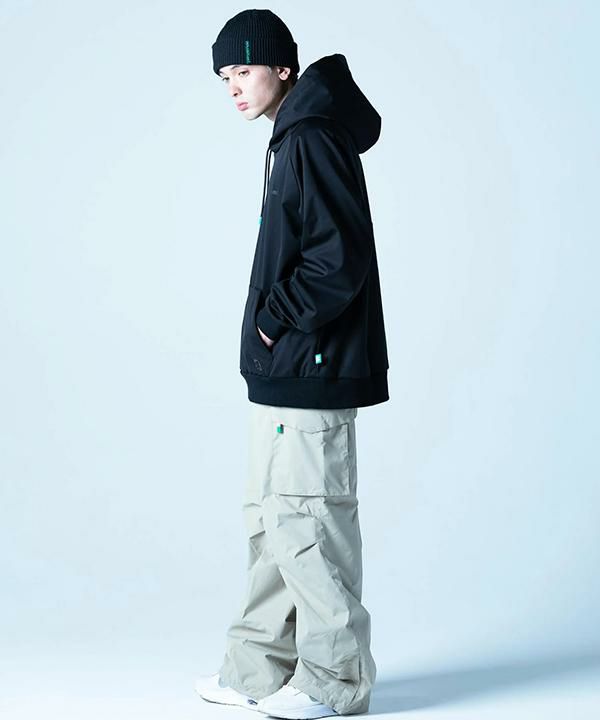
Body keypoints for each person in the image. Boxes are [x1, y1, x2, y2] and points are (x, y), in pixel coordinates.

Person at [195, 9, 389, 718]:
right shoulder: (291, 136)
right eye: (224, 75)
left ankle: (334, 683)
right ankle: (257, 670)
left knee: (308, 523)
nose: (233, 86)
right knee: (270, 523)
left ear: (282, 67)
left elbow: (340, 260)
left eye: (243, 70)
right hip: (285, 372)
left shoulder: (312, 137)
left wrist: (273, 319)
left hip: (312, 367)